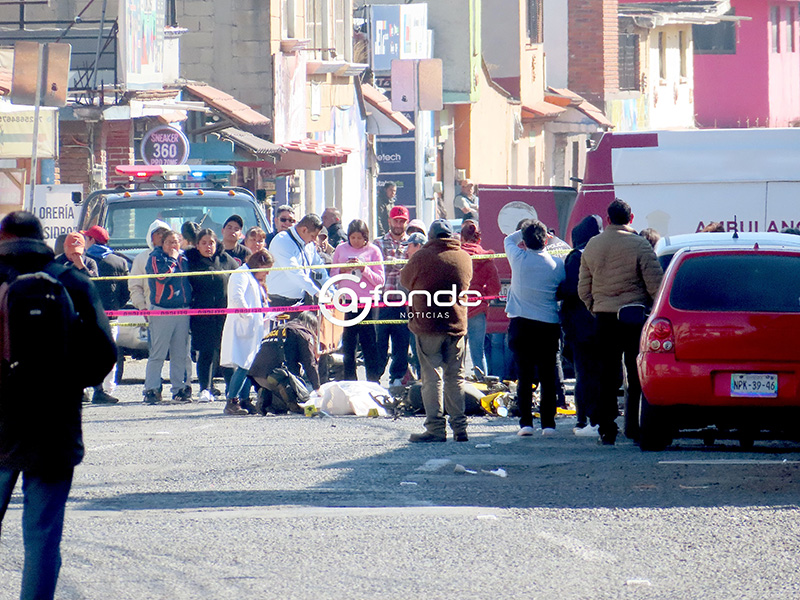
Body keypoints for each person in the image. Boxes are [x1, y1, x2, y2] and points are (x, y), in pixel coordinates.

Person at [0, 211, 115, 600]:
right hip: (54, 423)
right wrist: (65, 382)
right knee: (42, 536)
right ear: (43, 239)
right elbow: (104, 353)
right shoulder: (70, 281)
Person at [579, 199, 663, 445]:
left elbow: (584, 288)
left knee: (606, 374)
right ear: (632, 218)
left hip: (604, 317)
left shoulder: (593, 246)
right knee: (637, 373)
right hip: (634, 317)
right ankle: (634, 426)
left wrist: (596, 308)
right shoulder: (640, 245)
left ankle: (606, 428)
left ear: (608, 219)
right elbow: (656, 286)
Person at [401, 219, 473, 443]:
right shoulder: (464, 257)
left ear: (430, 237)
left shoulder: (421, 256)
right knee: (456, 377)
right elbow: (466, 284)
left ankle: (435, 429)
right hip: (455, 323)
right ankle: (460, 429)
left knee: (432, 378)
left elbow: (405, 280)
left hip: (429, 324)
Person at [504, 220, 565, 437]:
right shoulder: (557, 265)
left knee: (525, 376)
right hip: (548, 324)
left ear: (525, 241)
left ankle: (526, 423)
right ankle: (548, 424)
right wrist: (546, 234)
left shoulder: (518, 259)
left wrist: (526, 231)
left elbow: (508, 239)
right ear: (546, 239)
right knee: (548, 377)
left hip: (521, 324)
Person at [558, 215, 603, 437]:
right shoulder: (605, 252)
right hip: (604, 320)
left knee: (583, 374)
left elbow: (570, 288)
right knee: (601, 372)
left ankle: (584, 418)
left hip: (580, 323)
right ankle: (600, 417)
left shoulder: (577, 257)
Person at [185, 228, 240, 403]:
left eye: (211, 242)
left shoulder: (225, 259)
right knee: (206, 353)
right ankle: (205, 389)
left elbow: (239, 277)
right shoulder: (190, 261)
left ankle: (232, 389)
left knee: (227, 353)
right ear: (197, 245)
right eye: (204, 243)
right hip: (202, 315)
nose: (208, 246)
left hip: (224, 314)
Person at [220, 250, 274, 415]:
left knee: (250, 365)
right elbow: (237, 298)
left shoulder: (251, 277)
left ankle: (244, 400)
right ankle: (231, 401)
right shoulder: (241, 274)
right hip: (243, 326)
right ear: (259, 264)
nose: (267, 273)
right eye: (266, 269)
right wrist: (248, 316)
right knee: (243, 365)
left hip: (252, 328)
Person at [331, 220, 385, 382]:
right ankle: (349, 379)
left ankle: (373, 379)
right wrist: (343, 270)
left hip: (368, 302)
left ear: (365, 237)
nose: (355, 241)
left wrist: (364, 269)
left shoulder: (374, 251)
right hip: (348, 301)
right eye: (352, 237)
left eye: (359, 238)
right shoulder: (341, 249)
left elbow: (380, 280)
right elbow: (332, 277)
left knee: (370, 342)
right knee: (349, 342)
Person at [144, 230, 193, 404]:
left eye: (176, 242)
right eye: (169, 242)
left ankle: (179, 388)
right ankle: (151, 388)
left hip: (183, 310)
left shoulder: (184, 258)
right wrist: (172, 259)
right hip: (163, 310)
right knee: (158, 353)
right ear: (162, 244)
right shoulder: (156, 258)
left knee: (180, 353)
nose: (173, 246)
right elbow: (162, 277)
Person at [84, 225, 130, 405]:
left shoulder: (84, 260)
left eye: (87, 238)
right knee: (109, 353)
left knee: (86, 352)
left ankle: (86, 388)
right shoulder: (119, 261)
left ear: (92, 240)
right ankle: (107, 388)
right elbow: (126, 291)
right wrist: (117, 306)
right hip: (111, 314)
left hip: (87, 314)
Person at [250, 311, 322, 415]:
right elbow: (309, 362)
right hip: (277, 377)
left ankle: (267, 399)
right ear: (311, 325)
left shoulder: (278, 329)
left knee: (281, 408)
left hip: (256, 374)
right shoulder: (302, 332)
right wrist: (317, 387)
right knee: (304, 395)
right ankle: (294, 406)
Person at [373, 205, 411, 387]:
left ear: (407, 222)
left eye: (402, 221)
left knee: (402, 342)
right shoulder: (378, 243)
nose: (398, 224)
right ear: (389, 221)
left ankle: (397, 378)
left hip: (404, 302)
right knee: (379, 342)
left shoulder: (412, 243)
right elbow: (375, 266)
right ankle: (374, 377)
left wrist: (399, 265)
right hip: (382, 300)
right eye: (395, 220)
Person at [458, 220, 501, 378]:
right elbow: (495, 287)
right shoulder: (486, 258)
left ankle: (457, 387)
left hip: (457, 307)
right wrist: (483, 295)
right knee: (478, 353)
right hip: (477, 307)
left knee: (456, 355)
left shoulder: (456, 255)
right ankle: (482, 386)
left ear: (461, 238)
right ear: (479, 240)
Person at [266, 213, 325, 307]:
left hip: (300, 301)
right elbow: (294, 271)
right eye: (313, 236)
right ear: (304, 230)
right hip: (279, 302)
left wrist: (330, 290)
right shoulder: (282, 241)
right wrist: (317, 292)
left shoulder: (309, 245)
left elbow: (319, 267)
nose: (315, 240)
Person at [129, 220, 170, 312]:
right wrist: (142, 307)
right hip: (152, 311)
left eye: (164, 232)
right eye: (157, 233)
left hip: (178, 312)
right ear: (151, 237)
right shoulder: (141, 258)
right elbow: (135, 286)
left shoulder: (179, 256)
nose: (161, 236)